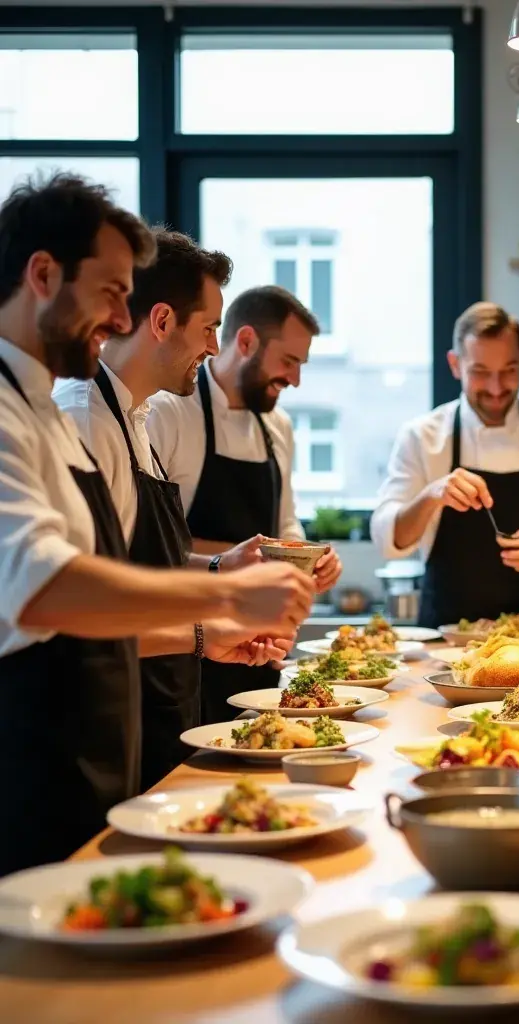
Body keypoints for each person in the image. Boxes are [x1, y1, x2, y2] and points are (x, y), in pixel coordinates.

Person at [0, 174, 313, 874]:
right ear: (43, 276)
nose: (121, 317)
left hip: (109, 738)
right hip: (40, 758)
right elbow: (44, 587)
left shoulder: (58, 409)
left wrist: (214, 600)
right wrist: (222, 603)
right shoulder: (48, 412)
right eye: (113, 292)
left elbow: (117, 576)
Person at [54, 230, 281, 788]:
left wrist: (217, 567)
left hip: (156, 709)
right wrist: (206, 630)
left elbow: (138, 565)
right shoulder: (84, 418)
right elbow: (82, 618)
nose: (212, 347)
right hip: (93, 728)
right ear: (161, 322)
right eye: (208, 328)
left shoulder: (135, 418)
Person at [147, 285, 342, 724]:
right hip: (182, 649)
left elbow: (286, 524)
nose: (295, 380)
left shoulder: (279, 425)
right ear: (248, 341)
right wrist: (230, 560)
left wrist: (310, 558)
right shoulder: (168, 412)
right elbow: (150, 543)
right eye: (288, 362)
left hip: (257, 648)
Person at [370, 301, 519, 628]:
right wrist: (431, 496)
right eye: (481, 373)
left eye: (509, 371)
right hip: (444, 648)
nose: (497, 389)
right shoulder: (421, 437)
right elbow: (387, 538)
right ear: (455, 365)